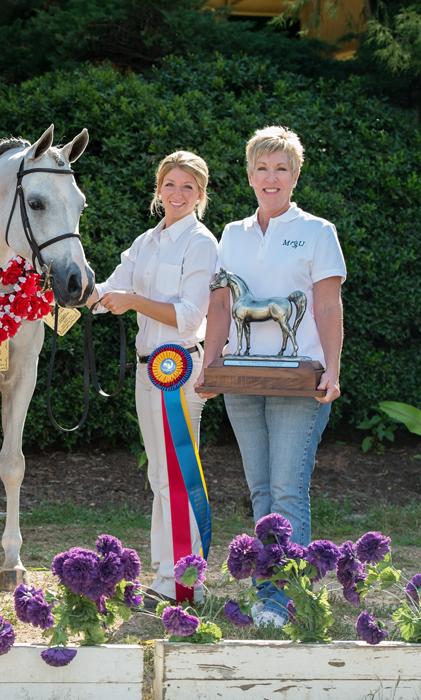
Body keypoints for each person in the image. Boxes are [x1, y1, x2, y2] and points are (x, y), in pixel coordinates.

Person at [196, 125, 346, 627]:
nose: (271, 177)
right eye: (262, 167)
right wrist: (209, 364)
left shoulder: (318, 231)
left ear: (296, 175)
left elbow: (327, 304)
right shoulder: (232, 234)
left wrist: (334, 368)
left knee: (286, 490)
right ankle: (268, 593)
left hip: (297, 385)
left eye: (281, 168)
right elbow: (220, 304)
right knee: (261, 490)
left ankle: (285, 600)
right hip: (241, 382)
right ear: (249, 174)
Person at [87, 151, 218, 606]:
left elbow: (188, 316)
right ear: (158, 189)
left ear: (200, 194)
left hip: (179, 369)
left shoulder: (202, 243)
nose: (177, 194)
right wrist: (68, 289)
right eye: (170, 185)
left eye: (187, 187)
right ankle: (168, 576)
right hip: (149, 371)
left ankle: (187, 583)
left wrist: (133, 301)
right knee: (161, 478)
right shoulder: (146, 241)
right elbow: (108, 291)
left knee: (179, 475)